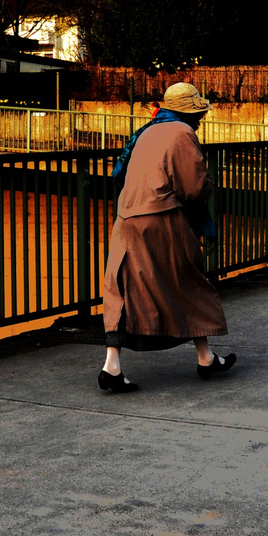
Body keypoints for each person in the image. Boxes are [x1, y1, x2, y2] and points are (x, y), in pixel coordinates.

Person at [98, 82, 234, 393]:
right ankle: (205, 358)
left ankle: (112, 365)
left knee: (122, 290)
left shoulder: (146, 131)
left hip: (126, 219)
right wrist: (210, 186)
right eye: (198, 112)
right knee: (189, 282)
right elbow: (193, 188)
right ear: (190, 112)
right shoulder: (182, 133)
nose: (201, 118)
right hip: (161, 220)